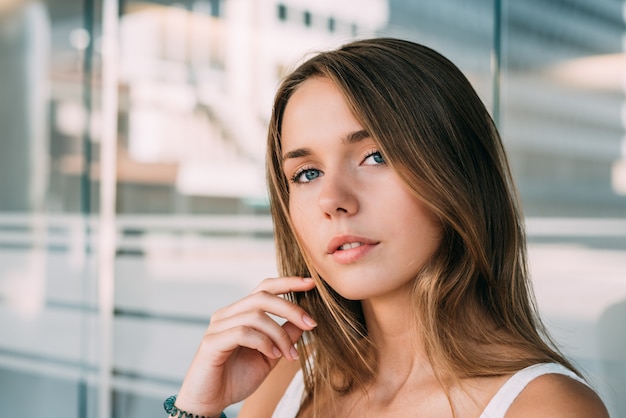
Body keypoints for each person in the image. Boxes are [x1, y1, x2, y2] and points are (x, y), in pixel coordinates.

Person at [166, 38, 609, 417]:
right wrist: (197, 409)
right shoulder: (287, 378)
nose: (332, 200)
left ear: (456, 173)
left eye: (375, 156)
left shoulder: (544, 407)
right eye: (306, 173)